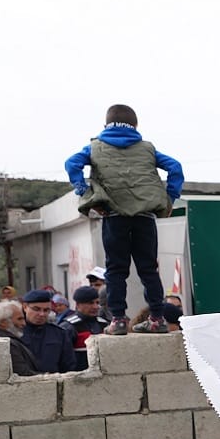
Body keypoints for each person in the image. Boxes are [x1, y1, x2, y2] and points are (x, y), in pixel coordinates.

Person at [66, 103, 184, 336]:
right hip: (144, 218)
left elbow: (72, 163)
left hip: (114, 217)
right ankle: (157, 318)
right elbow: (175, 167)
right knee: (148, 270)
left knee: (116, 270)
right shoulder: (147, 149)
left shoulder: (94, 148)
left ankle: (118, 320)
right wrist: (169, 198)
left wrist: (83, 191)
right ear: (135, 125)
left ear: (105, 125)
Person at [14, 289, 76, 373]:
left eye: (46, 310)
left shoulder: (59, 334)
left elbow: (68, 365)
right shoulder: (15, 333)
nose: (42, 314)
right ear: (25, 307)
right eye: (36, 309)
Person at [59, 285, 107, 357]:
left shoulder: (103, 324)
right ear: (78, 305)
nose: (95, 307)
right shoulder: (69, 327)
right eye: (90, 303)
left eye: (97, 303)